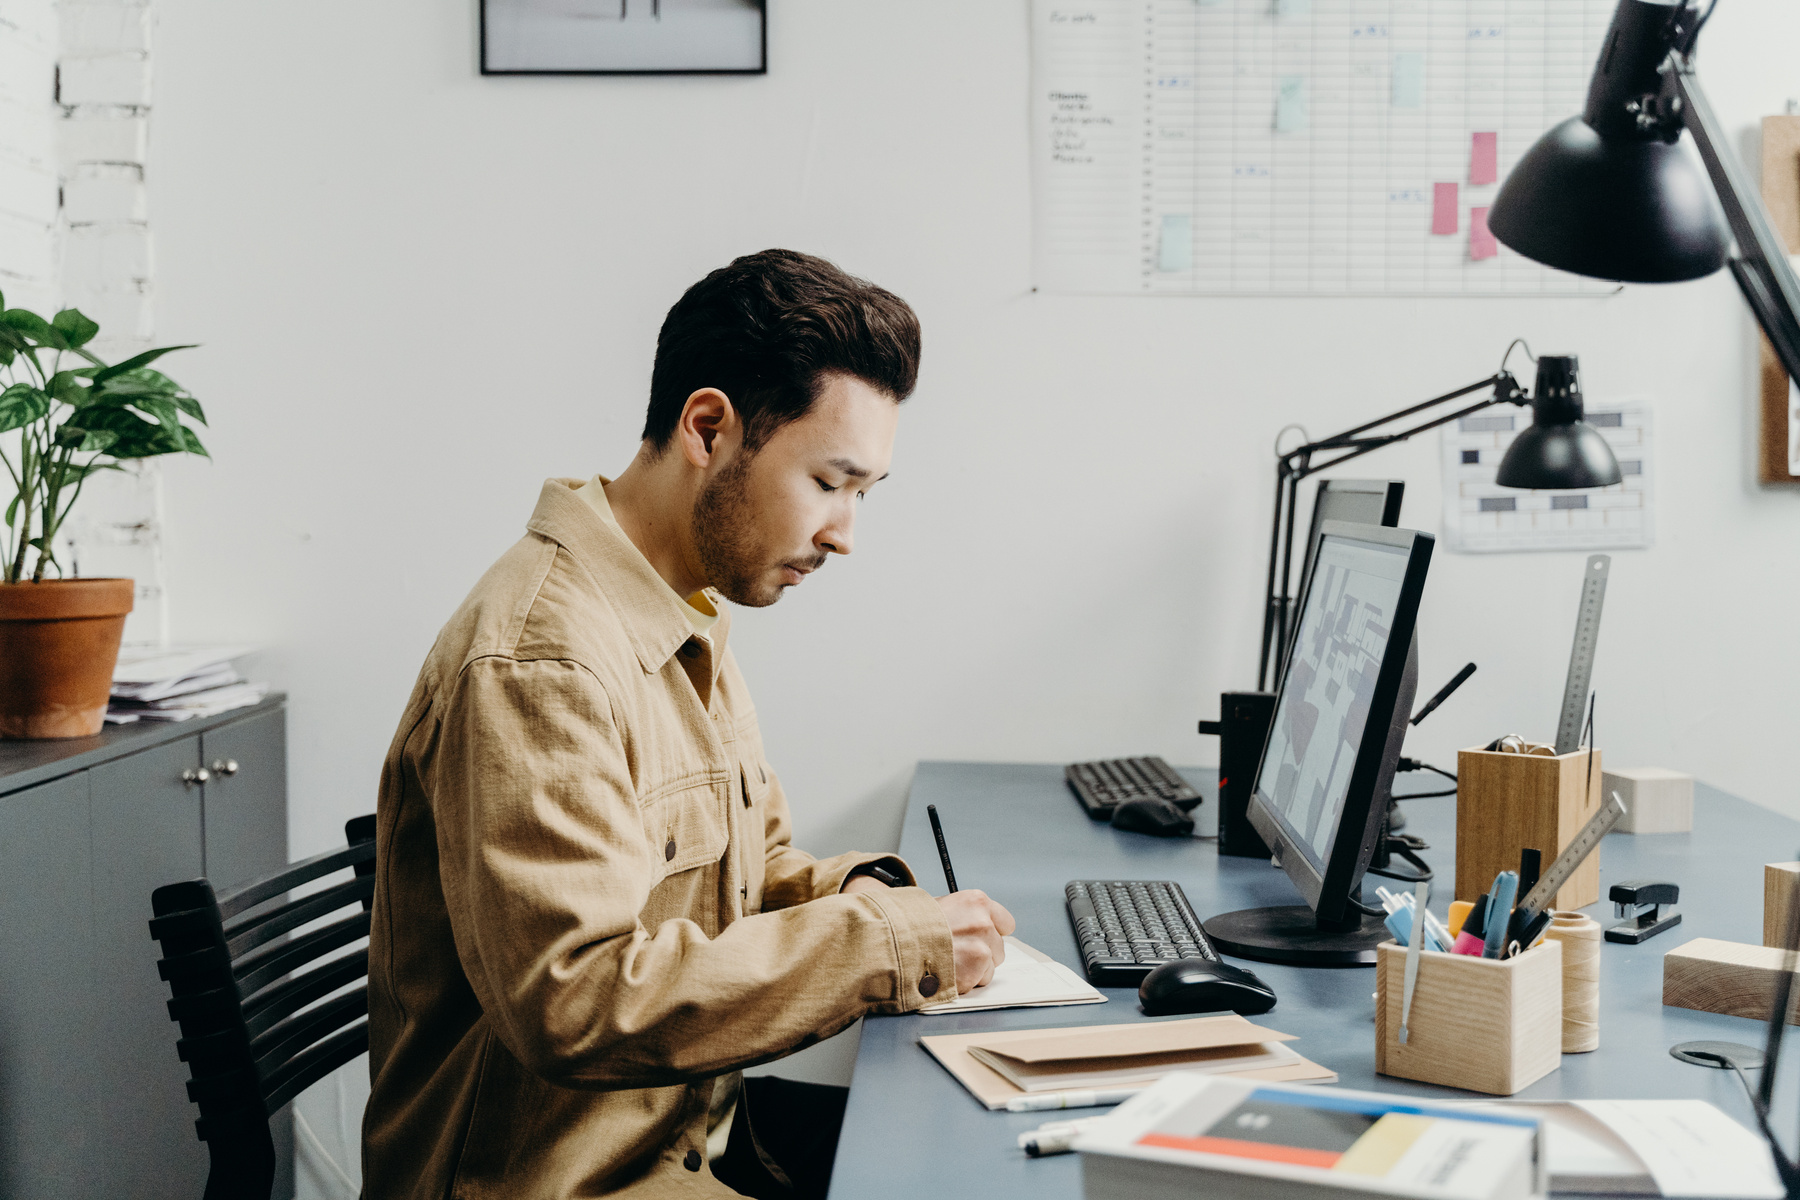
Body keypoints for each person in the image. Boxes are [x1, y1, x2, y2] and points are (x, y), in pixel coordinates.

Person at [362, 249, 1016, 1200]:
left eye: (864, 495)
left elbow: (746, 882)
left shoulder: (683, 610)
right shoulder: (541, 664)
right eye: (830, 483)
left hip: (695, 1147)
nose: (845, 534)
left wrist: (877, 896)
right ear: (709, 426)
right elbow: (576, 1000)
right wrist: (881, 946)